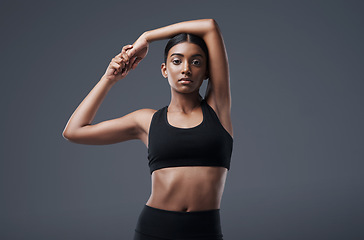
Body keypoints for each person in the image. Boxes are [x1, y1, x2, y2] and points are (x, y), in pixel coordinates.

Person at [62, 19, 233, 240]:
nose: (186, 69)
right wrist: (108, 80)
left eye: (196, 62)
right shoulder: (146, 121)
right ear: (164, 69)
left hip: (205, 231)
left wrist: (146, 37)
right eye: (177, 61)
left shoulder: (218, 110)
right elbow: (74, 131)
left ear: (207, 71)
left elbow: (209, 26)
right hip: (155, 229)